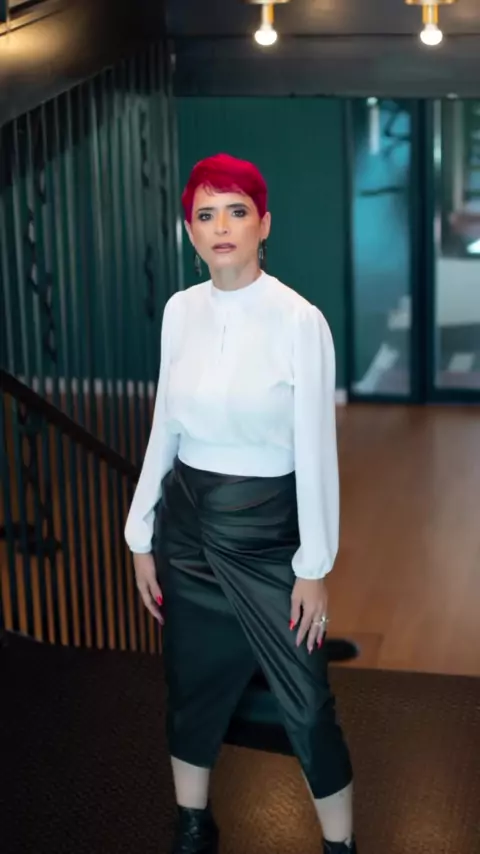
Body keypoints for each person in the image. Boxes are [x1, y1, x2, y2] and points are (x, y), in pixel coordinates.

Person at [125, 153, 356, 854]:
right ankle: (193, 824)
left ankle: (340, 845)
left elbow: (316, 450)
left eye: (236, 211)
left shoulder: (299, 320)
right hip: (187, 529)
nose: (221, 227)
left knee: (306, 702)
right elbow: (165, 425)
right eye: (205, 214)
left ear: (264, 225)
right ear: (190, 231)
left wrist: (313, 565)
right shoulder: (179, 311)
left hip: (268, 534)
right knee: (191, 685)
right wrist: (140, 533)